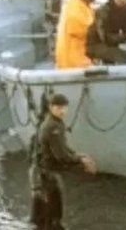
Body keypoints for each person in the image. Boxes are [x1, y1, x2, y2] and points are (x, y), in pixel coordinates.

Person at [30, 93, 97, 229]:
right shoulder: (54, 127)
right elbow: (61, 155)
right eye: (58, 107)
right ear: (50, 107)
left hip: (40, 174)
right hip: (47, 175)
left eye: (64, 107)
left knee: (43, 217)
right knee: (53, 216)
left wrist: (79, 156)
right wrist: (82, 161)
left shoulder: (51, 122)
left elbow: (63, 148)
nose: (62, 110)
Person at [55, 0, 98, 69]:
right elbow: (79, 27)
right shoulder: (74, 6)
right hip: (73, 56)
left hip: (79, 51)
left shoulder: (82, 5)